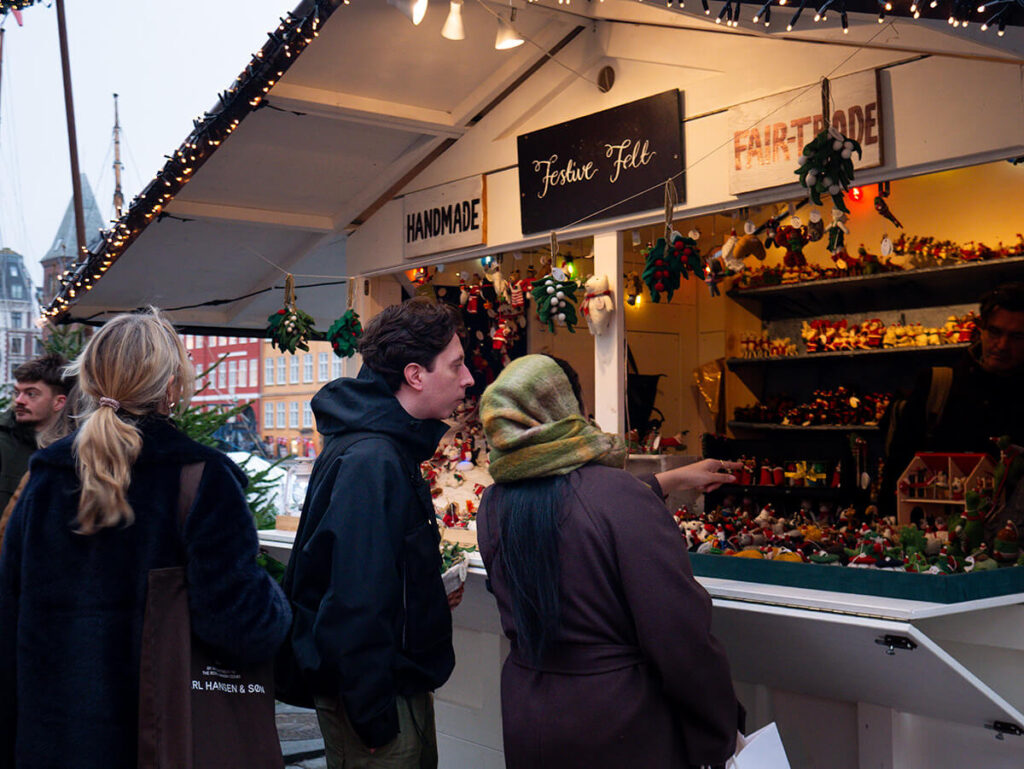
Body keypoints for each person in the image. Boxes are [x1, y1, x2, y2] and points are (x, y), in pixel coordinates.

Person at [0, 310, 291, 769]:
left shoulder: (45, 479)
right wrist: (277, 603)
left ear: (91, 381)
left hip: (52, 739)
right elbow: (243, 626)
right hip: (159, 738)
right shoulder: (200, 477)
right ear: (172, 387)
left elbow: (8, 617)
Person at [476, 354, 743, 769]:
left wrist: (666, 481)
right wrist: (720, 730)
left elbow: (573, 517)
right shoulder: (615, 494)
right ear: (567, 412)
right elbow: (679, 637)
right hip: (617, 722)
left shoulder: (493, 503)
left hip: (528, 712)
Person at [282, 298, 474, 768]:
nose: (468, 378)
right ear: (415, 375)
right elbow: (353, 599)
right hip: (376, 701)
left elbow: (371, 574)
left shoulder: (382, 448)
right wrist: (372, 717)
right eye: (456, 365)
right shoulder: (374, 461)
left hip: (387, 688)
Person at [882, 282, 1024, 507]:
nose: (1003, 345)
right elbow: (897, 472)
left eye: (1016, 337)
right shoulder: (938, 385)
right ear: (981, 330)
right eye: (995, 332)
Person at [0, 353, 71, 512]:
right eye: (17, 392)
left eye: (31, 394)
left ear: (58, 402)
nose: (19, 400)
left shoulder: (76, 449)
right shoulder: (3, 443)